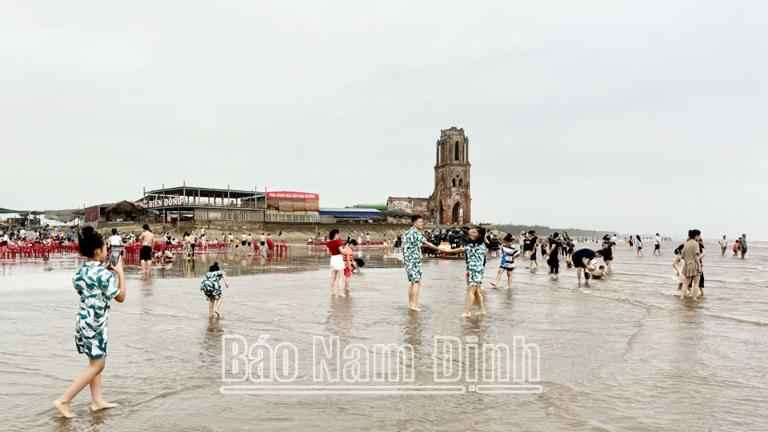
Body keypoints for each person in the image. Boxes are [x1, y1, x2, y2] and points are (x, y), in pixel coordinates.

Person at [53, 227, 126, 419]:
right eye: (104, 247)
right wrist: (120, 273)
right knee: (98, 365)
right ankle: (64, 400)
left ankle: (97, 401)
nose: (107, 250)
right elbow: (121, 297)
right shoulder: (104, 275)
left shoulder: (80, 273)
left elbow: (89, 288)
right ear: (97, 251)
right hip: (96, 323)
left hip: (83, 320)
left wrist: (106, 272)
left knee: (93, 361)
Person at [403, 215, 442, 312]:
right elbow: (427, 243)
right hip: (414, 260)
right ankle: (414, 305)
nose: (422, 223)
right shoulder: (416, 233)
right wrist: (440, 248)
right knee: (416, 282)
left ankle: (411, 303)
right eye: (420, 222)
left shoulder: (407, 232)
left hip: (408, 260)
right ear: (414, 223)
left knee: (413, 282)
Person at [449, 226, 488, 317]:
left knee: (470, 290)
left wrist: (446, 250)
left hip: (476, 270)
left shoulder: (475, 245)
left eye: (474, 232)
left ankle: (468, 312)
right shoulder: (477, 244)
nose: (471, 232)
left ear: (478, 235)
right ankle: (482, 310)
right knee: (477, 291)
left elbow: (461, 249)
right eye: (472, 231)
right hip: (474, 270)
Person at [679, 229, 703, 299]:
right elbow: (696, 256)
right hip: (694, 265)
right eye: (699, 235)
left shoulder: (686, 243)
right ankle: (694, 298)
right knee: (696, 283)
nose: (700, 237)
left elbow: (682, 256)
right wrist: (699, 265)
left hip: (687, 265)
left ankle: (682, 297)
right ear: (696, 236)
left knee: (685, 283)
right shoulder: (696, 244)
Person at [327, 229, 349, 297]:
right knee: (341, 277)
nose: (339, 235)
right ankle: (341, 293)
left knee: (333, 277)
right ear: (336, 234)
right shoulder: (337, 242)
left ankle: (333, 292)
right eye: (338, 234)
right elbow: (343, 252)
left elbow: (328, 253)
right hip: (338, 259)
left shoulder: (328, 243)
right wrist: (346, 247)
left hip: (332, 259)